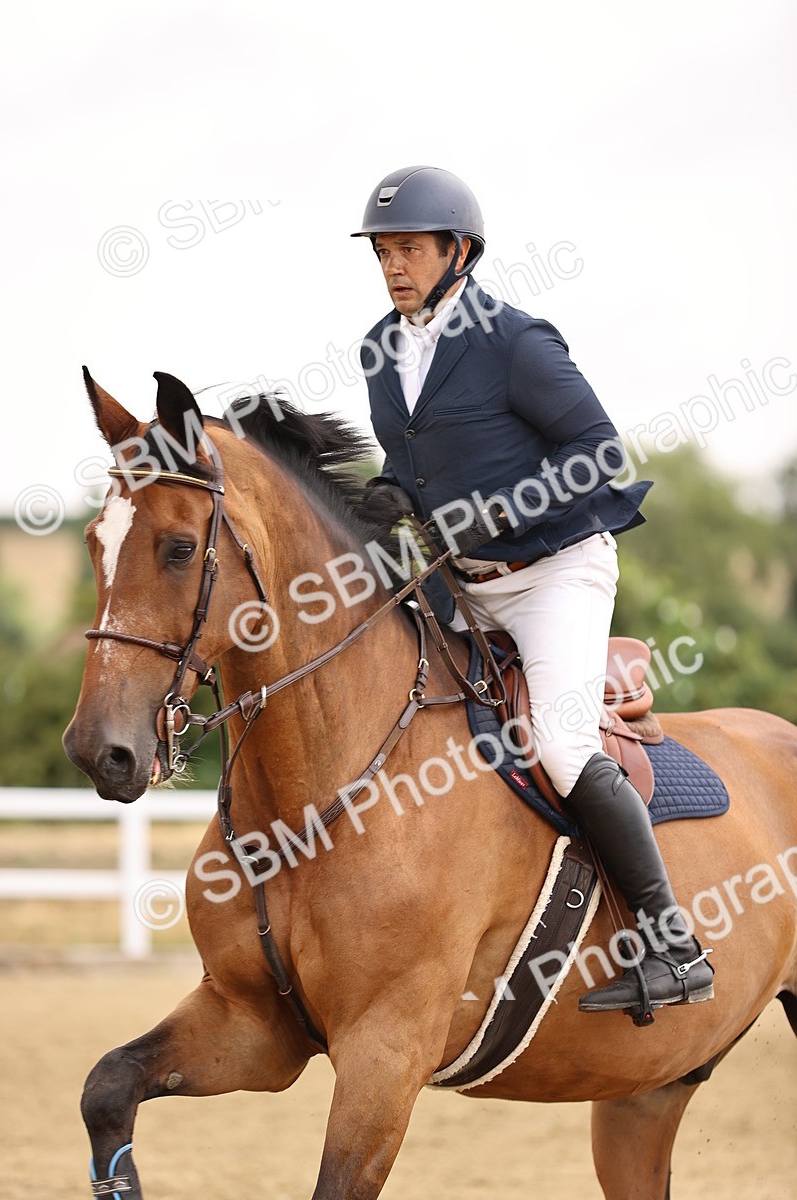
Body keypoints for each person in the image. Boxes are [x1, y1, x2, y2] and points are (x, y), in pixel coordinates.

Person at [351, 165, 714, 1018]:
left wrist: (487, 514)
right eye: (383, 252)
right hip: (462, 584)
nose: (394, 265)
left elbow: (598, 454)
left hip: (555, 573)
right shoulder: (378, 350)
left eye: (410, 249)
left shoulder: (516, 339)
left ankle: (673, 943)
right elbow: (413, 464)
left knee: (558, 744)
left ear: (460, 251)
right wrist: (392, 496)